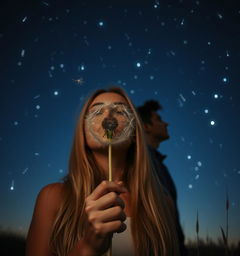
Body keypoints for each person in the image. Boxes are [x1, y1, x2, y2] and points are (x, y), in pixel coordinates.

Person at [26, 87, 180, 256]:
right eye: (97, 112)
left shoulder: (163, 203)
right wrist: (87, 247)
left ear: (135, 132)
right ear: (83, 132)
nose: (108, 117)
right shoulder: (52, 197)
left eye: (120, 111)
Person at [137, 100, 188, 256]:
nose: (166, 123)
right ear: (145, 126)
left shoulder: (158, 164)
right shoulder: (142, 162)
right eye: (158, 119)